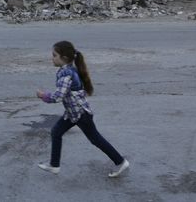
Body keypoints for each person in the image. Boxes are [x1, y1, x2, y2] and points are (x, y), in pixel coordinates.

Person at [36, 40, 129, 177]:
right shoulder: (69, 70)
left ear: (64, 58)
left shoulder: (66, 74)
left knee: (95, 139)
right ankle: (54, 165)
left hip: (80, 114)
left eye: (54, 55)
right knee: (56, 132)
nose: (52, 58)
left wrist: (43, 95)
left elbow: (58, 96)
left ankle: (120, 162)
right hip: (73, 113)